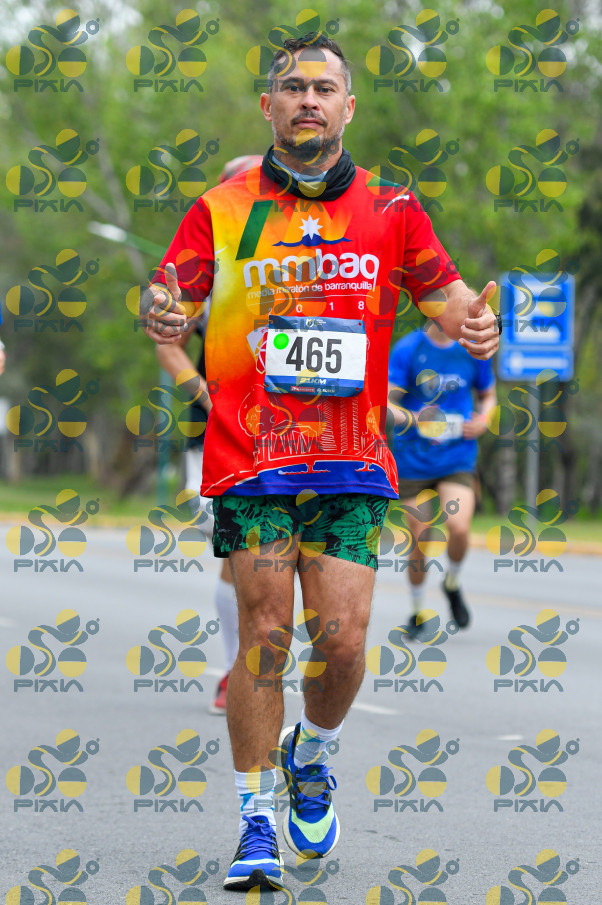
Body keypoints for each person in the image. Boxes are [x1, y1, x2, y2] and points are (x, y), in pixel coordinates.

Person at [142, 33, 499, 892]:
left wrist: (476, 323)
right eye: (293, 87)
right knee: (264, 635)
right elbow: (172, 293)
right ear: (268, 106)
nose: (308, 99)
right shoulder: (221, 207)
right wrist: (164, 310)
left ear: (348, 107)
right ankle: (254, 821)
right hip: (252, 455)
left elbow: (449, 299)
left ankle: (315, 751)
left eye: (324, 88)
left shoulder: (393, 207)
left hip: (349, 458)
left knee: (341, 643)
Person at [155, 155, 263, 714]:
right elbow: (168, 344)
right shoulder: (210, 262)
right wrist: (206, 394)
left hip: (296, 431)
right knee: (237, 548)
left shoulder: (305, 256)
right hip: (221, 429)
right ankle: (234, 668)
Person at [388, 319, 497, 635]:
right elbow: (387, 403)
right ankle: (417, 612)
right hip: (414, 459)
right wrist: (415, 418)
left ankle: (452, 582)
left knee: (459, 528)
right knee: (421, 536)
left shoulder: (471, 349)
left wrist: (484, 419)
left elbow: (488, 395)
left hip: (457, 457)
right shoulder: (408, 349)